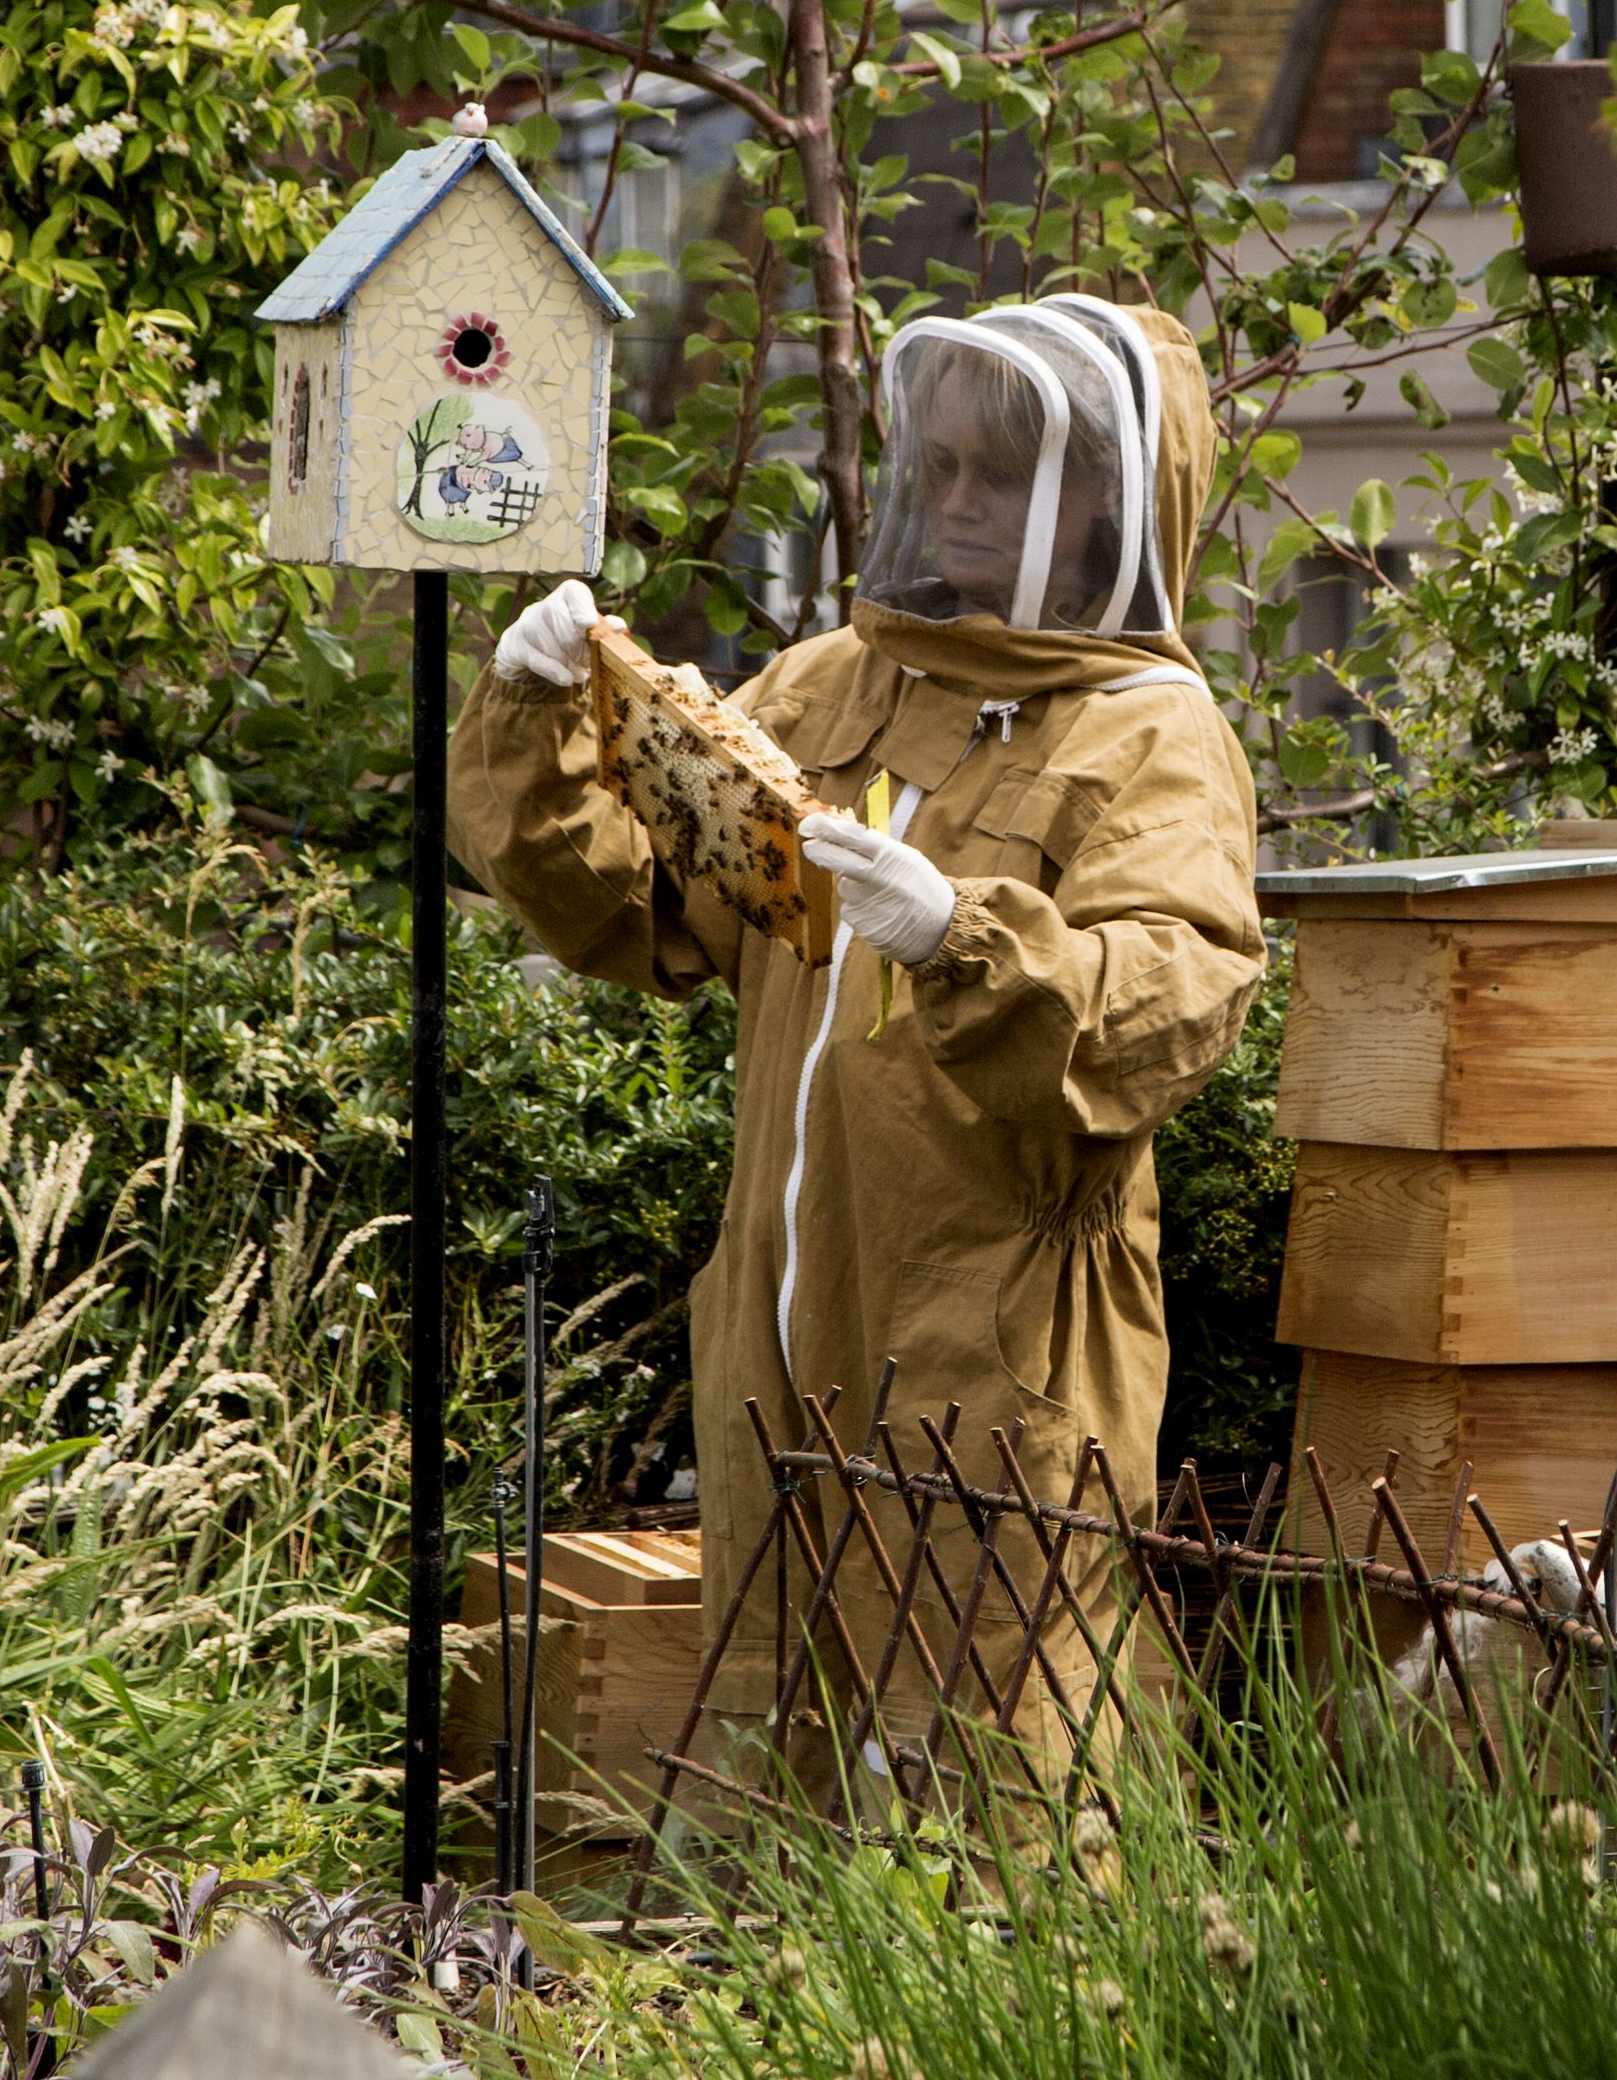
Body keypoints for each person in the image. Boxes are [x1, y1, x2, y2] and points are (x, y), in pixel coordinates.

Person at [450, 292, 1264, 1739]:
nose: (953, 502)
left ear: (1093, 502)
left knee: (1008, 1746)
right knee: (790, 1749)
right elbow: (649, 914)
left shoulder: (1153, 734)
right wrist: (538, 722)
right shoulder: (835, 683)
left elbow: (1173, 1001)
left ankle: (1064, 1984)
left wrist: (968, 940)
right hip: (776, 1301)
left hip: (998, 1334)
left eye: (995, 474)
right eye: (936, 465)